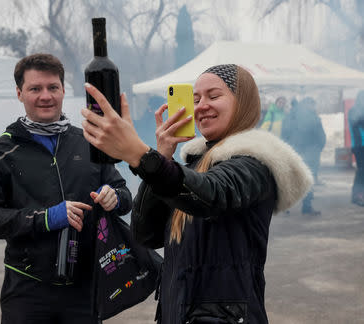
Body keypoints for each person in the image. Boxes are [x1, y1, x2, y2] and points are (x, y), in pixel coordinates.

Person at [80, 64, 313, 324]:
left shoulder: (255, 162)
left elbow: (211, 195)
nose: (201, 106)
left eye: (213, 96)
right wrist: (161, 156)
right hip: (178, 311)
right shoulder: (193, 164)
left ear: (244, 102)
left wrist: (143, 157)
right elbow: (145, 233)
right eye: (195, 99)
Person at [0, 53, 132, 324]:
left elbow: (124, 195)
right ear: (20, 93)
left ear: (64, 91)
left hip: (85, 289)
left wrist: (115, 198)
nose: (46, 96)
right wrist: (45, 218)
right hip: (27, 291)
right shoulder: (0, 152)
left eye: (53, 87)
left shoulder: (90, 141)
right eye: (35, 89)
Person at [281, 96, 326, 215]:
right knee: (308, 178)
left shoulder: (289, 117)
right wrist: (317, 150)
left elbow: (283, 134)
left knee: (291, 179)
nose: (314, 107)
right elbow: (321, 137)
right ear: (308, 105)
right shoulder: (313, 117)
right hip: (310, 153)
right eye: (313, 104)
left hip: (293, 151)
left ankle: (286, 206)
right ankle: (307, 206)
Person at [348, 90, 364, 206]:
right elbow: (359, 123)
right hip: (359, 145)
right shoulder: (354, 111)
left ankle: (359, 194)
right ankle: (356, 196)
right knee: (361, 171)